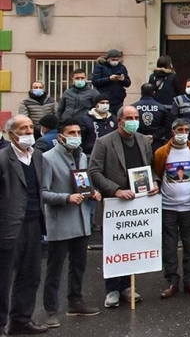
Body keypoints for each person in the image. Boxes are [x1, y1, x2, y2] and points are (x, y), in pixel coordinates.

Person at [87, 106, 159, 308]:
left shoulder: (143, 141)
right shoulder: (104, 142)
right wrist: (116, 189)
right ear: (119, 120)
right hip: (115, 204)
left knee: (132, 245)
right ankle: (112, 289)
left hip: (138, 202)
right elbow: (94, 171)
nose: (134, 121)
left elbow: (151, 166)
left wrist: (154, 182)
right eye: (129, 118)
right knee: (114, 247)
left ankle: (127, 286)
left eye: (136, 118)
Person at [40, 119, 102, 328]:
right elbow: (44, 193)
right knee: (55, 268)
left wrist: (92, 193)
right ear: (60, 136)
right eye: (71, 133)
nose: (76, 136)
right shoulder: (47, 159)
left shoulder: (82, 156)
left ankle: (75, 301)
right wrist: (66, 198)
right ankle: (50, 309)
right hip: (61, 222)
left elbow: (83, 183)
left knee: (79, 265)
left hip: (82, 220)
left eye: (78, 132)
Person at [0, 115, 49, 335]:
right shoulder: (3, 158)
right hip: (9, 226)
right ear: (11, 133)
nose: (29, 131)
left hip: (34, 223)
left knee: (30, 275)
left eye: (31, 127)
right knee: (3, 278)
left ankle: (21, 319)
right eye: (23, 128)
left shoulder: (37, 156)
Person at [153, 119, 190, 299]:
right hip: (168, 206)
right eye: (180, 130)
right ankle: (172, 281)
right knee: (169, 246)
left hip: (189, 206)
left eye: (186, 130)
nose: (183, 133)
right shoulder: (161, 152)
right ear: (173, 131)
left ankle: (189, 279)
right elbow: (157, 173)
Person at [133, 83, 173, 152]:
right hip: (156, 142)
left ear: (141, 92)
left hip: (137, 141)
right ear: (154, 93)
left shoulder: (133, 107)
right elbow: (167, 126)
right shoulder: (161, 108)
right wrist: (155, 136)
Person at [90, 49, 131, 116]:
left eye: (116, 60)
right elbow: (95, 81)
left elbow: (128, 83)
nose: (115, 61)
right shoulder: (100, 66)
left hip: (118, 99)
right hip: (104, 99)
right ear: (108, 59)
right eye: (113, 59)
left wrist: (123, 80)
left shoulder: (122, 67)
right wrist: (109, 79)